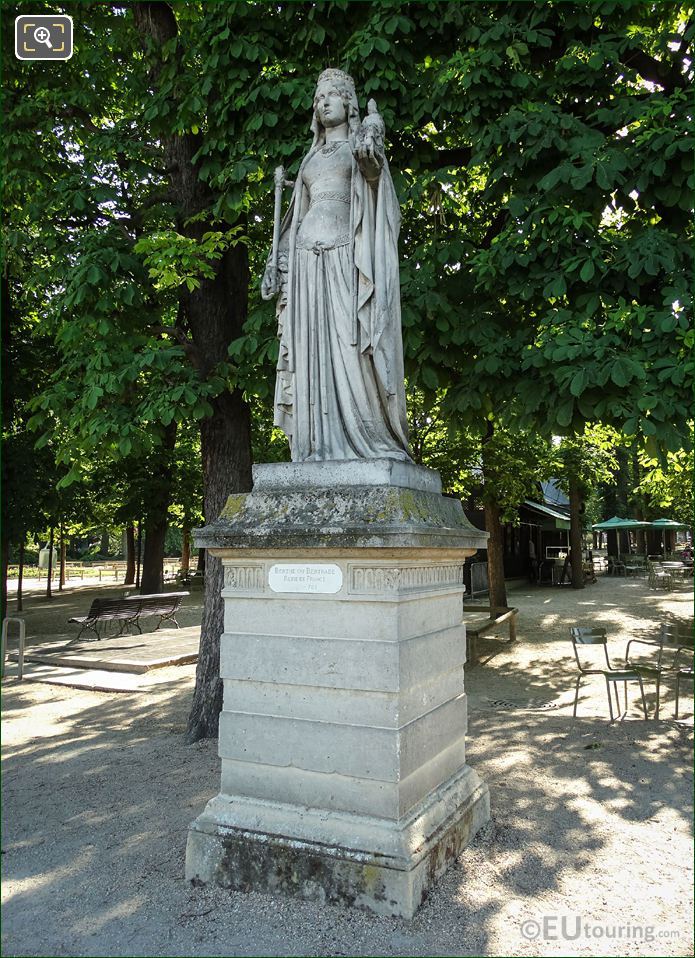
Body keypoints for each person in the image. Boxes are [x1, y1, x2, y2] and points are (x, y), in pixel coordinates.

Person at [261, 69, 412, 463]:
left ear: (349, 103)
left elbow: (377, 191)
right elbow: (296, 218)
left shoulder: (359, 146)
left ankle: (370, 436)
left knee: (352, 349)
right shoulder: (310, 157)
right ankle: (317, 444)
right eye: (318, 98)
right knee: (314, 352)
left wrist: (372, 156)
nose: (322, 102)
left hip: (346, 259)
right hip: (306, 264)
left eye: (331, 95)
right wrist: (279, 257)